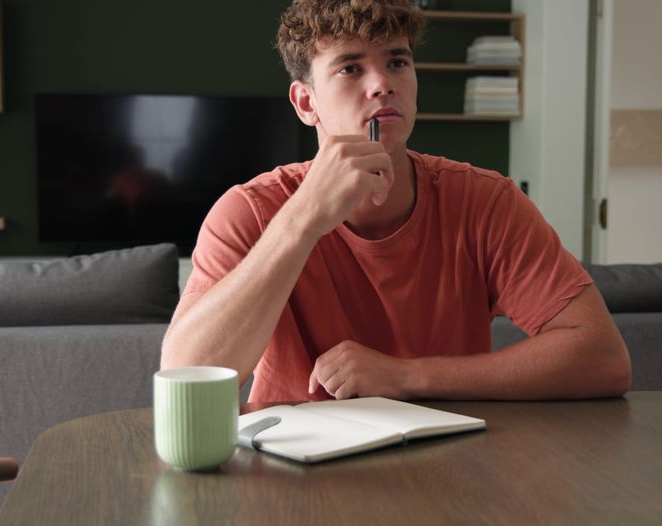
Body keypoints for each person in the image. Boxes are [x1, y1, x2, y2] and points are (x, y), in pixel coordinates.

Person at [161, 0, 631, 403]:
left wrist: (407, 376)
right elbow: (185, 375)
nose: (382, 83)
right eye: (350, 67)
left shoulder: (486, 202)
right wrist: (303, 219)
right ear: (306, 104)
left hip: (446, 467)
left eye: (398, 62)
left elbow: (603, 358)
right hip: (293, 479)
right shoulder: (249, 211)